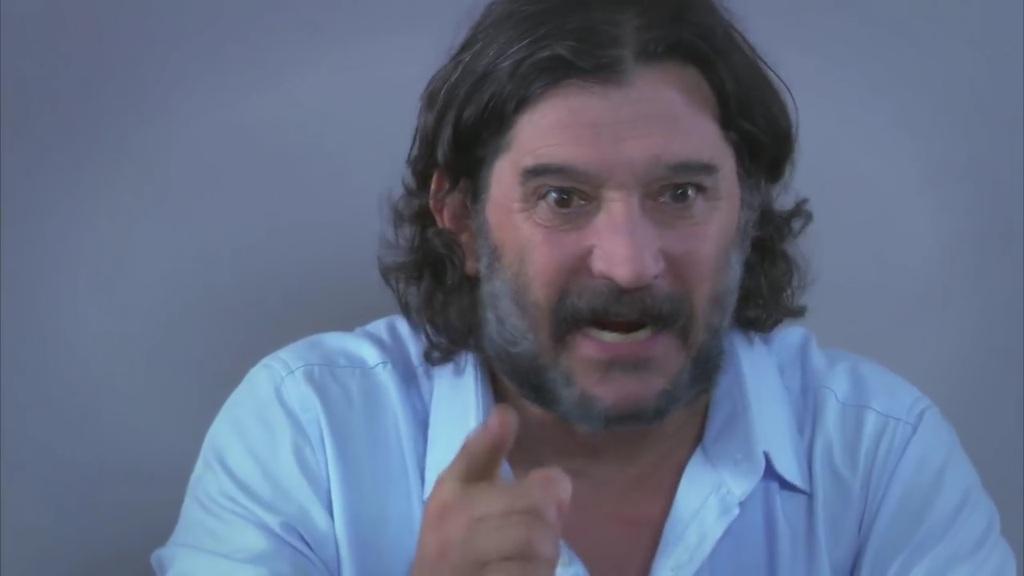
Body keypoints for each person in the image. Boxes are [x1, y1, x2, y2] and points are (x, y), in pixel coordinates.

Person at [152, 0, 1016, 574]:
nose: (630, 265)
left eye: (681, 194)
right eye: (562, 198)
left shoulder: (879, 456)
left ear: (746, 211)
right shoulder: (307, 432)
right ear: (461, 221)